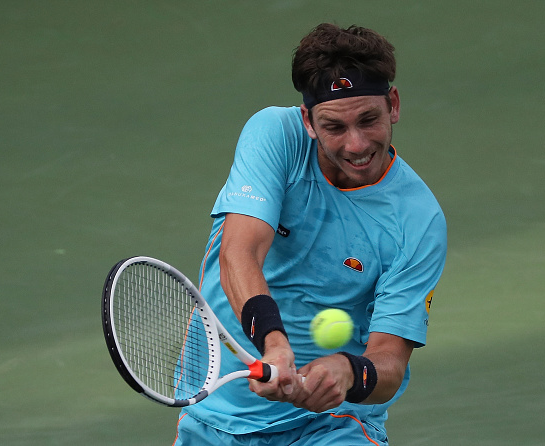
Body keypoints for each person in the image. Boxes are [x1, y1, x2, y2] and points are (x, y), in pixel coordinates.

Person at [173, 23, 447, 446]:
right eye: (334, 127)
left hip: (332, 426)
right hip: (214, 413)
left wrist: (347, 371)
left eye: (368, 119)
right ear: (307, 121)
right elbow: (238, 254)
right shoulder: (274, 135)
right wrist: (274, 344)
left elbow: (389, 363)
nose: (356, 144)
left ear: (393, 104)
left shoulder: (418, 219)